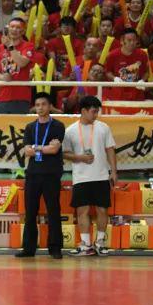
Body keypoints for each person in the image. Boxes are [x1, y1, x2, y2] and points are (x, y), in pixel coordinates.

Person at [62, 95, 117, 256]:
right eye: (93, 111)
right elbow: (64, 153)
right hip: (81, 177)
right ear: (83, 111)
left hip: (101, 175)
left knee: (102, 210)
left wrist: (113, 171)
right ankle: (85, 244)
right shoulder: (70, 130)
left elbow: (110, 149)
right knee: (82, 211)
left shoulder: (104, 127)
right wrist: (80, 158)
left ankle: (100, 242)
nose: (96, 115)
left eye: (97, 111)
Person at [16, 92, 66, 260]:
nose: (40, 108)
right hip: (33, 174)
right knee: (30, 212)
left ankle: (55, 248)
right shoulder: (30, 127)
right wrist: (43, 148)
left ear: (50, 106)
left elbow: (54, 149)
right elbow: (27, 151)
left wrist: (36, 147)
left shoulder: (58, 126)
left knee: (53, 211)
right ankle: (28, 248)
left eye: (44, 104)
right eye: (37, 105)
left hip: (51, 174)